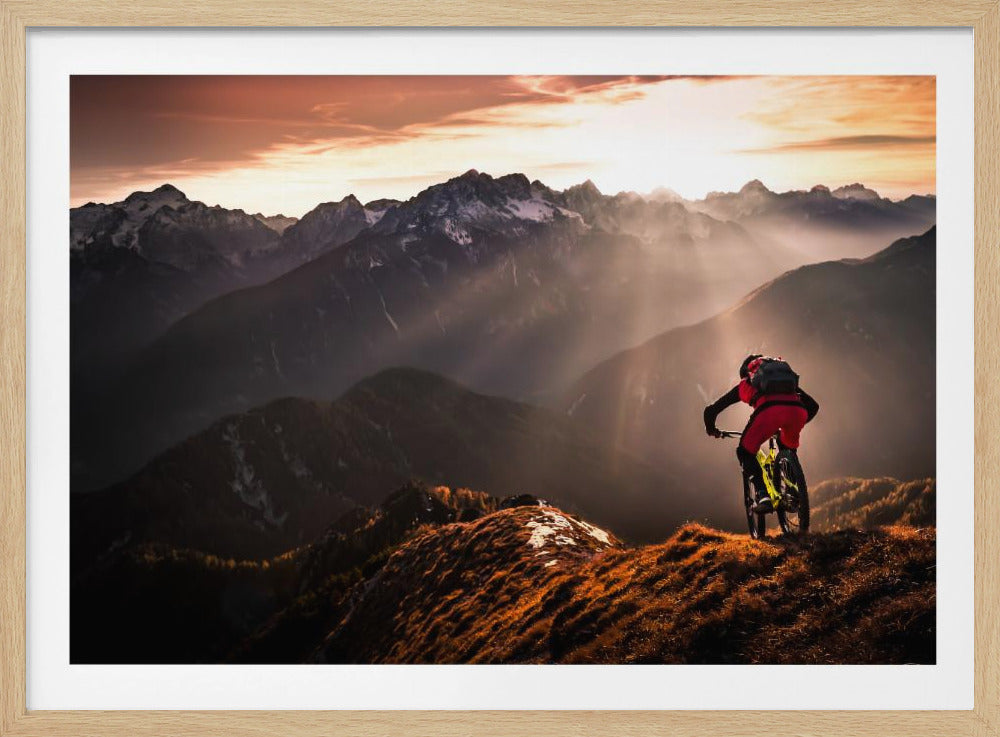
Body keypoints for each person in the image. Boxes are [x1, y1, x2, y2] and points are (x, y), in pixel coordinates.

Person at [703, 354, 819, 512]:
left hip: (768, 412)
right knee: (786, 448)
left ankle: (763, 495)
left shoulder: (745, 383)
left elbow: (711, 411)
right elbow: (813, 406)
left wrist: (712, 430)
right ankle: (793, 489)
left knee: (744, 452)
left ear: (748, 373)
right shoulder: (784, 381)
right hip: (797, 412)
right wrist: (796, 425)